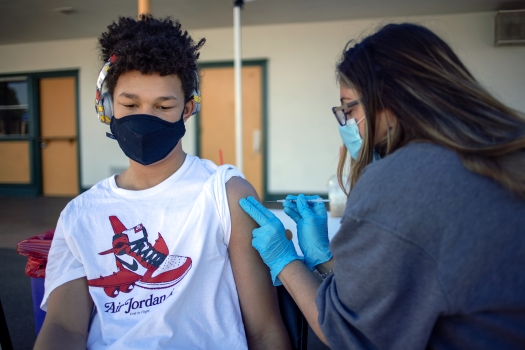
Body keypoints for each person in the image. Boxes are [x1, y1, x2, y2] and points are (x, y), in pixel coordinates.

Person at [240, 23, 525, 349]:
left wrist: (284, 259)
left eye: (349, 108)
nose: (348, 123)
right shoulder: (505, 156)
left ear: (390, 99)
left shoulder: (402, 180)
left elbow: (346, 332)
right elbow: (412, 281)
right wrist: (325, 260)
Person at [35, 15, 291, 350]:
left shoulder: (225, 194)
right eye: (130, 104)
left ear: (187, 110)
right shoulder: (79, 215)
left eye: (163, 105)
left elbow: (265, 330)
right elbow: (64, 328)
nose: (146, 118)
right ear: (107, 106)